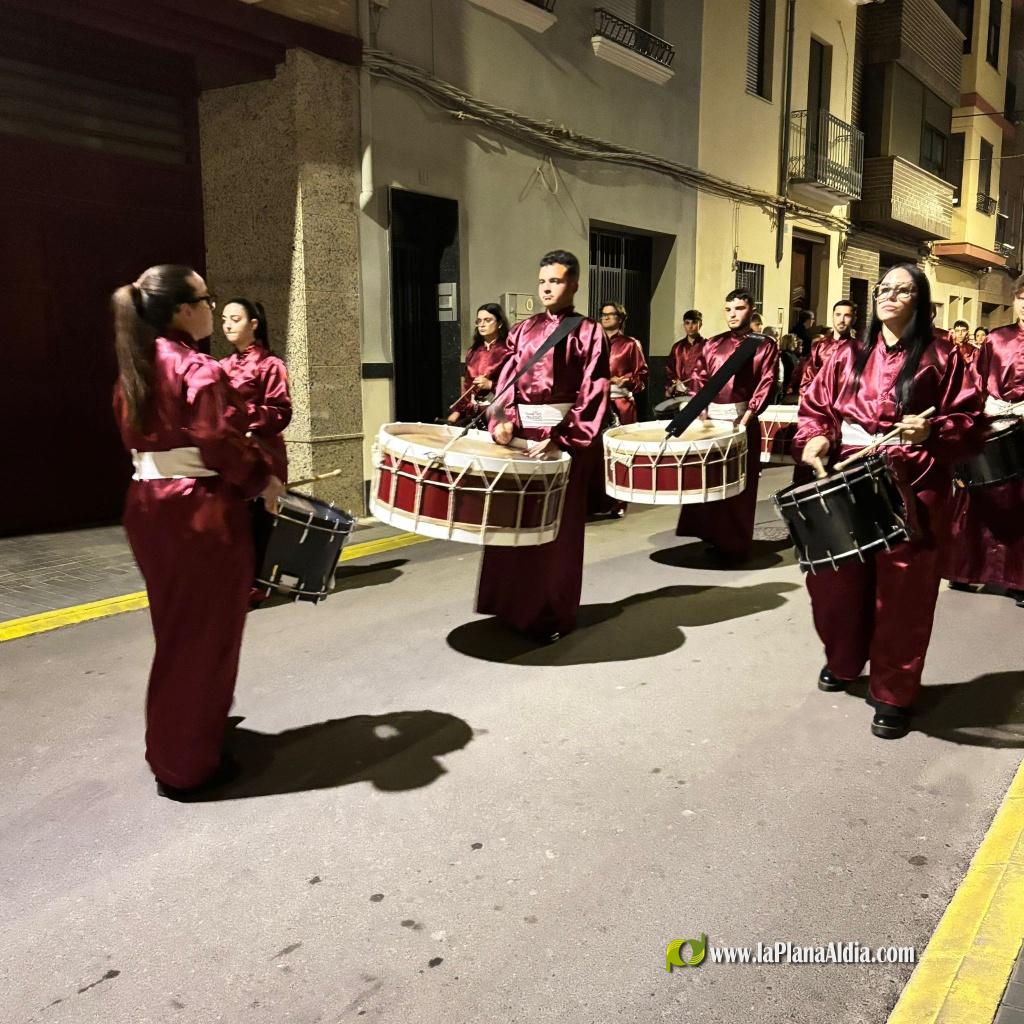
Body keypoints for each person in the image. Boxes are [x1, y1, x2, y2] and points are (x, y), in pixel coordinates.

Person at [112, 265, 284, 796]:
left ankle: (177, 737)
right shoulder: (196, 367)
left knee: (177, 630)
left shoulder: (135, 364)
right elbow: (217, 440)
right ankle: (186, 763)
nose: (213, 307)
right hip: (198, 511)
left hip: (149, 505)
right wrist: (263, 478)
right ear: (184, 311)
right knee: (206, 636)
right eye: (206, 299)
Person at [795, 263, 984, 739]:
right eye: (884, 289)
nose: (889, 296)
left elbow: (970, 419)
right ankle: (842, 660)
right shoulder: (846, 354)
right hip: (851, 475)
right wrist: (816, 437)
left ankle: (893, 692)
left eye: (902, 290)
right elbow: (817, 407)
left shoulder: (944, 356)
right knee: (836, 582)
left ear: (919, 301)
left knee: (903, 594)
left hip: (914, 481)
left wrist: (934, 428)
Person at [476, 250, 609, 643]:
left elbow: (594, 392)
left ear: (574, 285)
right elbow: (506, 384)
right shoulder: (522, 330)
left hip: (562, 442)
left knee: (556, 532)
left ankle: (550, 613)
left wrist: (562, 439)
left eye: (556, 281)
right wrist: (501, 422)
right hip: (521, 440)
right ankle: (510, 606)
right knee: (511, 522)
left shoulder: (588, 332)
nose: (548, 288)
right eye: (543, 281)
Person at [675, 289, 779, 560]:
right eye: (728, 309)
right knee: (709, 481)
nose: (733, 314)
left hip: (742, 421)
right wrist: (701, 411)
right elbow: (699, 377)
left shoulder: (764, 344)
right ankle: (712, 535)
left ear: (751, 309)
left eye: (739, 309)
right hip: (712, 422)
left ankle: (735, 544)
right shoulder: (712, 344)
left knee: (739, 486)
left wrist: (748, 417)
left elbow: (766, 382)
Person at [945, 281, 1024, 607]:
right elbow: (974, 384)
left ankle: (1018, 579)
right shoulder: (995, 339)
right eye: (1022, 298)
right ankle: (964, 570)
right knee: (975, 497)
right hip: (994, 426)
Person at [220, 298, 293, 606]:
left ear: (253, 325)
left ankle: (256, 586)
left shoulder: (270, 365)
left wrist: (242, 415)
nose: (227, 324)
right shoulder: (221, 366)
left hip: (262, 453)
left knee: (259, 522)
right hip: (233, 453)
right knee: (234, 520)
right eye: (224, 318)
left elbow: (281, 412)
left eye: (235, 319)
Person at [447, 303, 511, 425]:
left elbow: (517, 385)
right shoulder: (473, 351)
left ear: (500, 323)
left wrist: (491, 385)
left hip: (498, 413)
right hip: (473, 412)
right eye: (479, 321)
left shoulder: (509, 350)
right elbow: (466, 386)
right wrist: (456, 413)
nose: (481, 324)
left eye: (487, 320)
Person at [600, 302, 648, 425]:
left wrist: (627, 380)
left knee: (622, 441)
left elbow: (642, 374)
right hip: (597, 402)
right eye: (603, 314)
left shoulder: (630, 343)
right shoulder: (593, 343)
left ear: (620, 318)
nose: (605, 317)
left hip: (622, 402)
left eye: (610, 314)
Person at [799, 300, 857, 398]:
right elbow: (808, 379)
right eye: (838, 315)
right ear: (833, 316)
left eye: (847, 315)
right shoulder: (819, 346)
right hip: (820, 406)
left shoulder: (859, 349)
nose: (841, 320)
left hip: (847, 407)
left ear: (854, 319)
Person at [665, 309, 704, 398]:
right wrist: (675, 382)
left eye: (694, 323)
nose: (690, 326)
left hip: (700, 394)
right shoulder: (677, 347)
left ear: (700, 324)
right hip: (679, 393)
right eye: (687, 323)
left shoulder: (707, 346)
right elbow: (669, 370)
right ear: (684, 325)